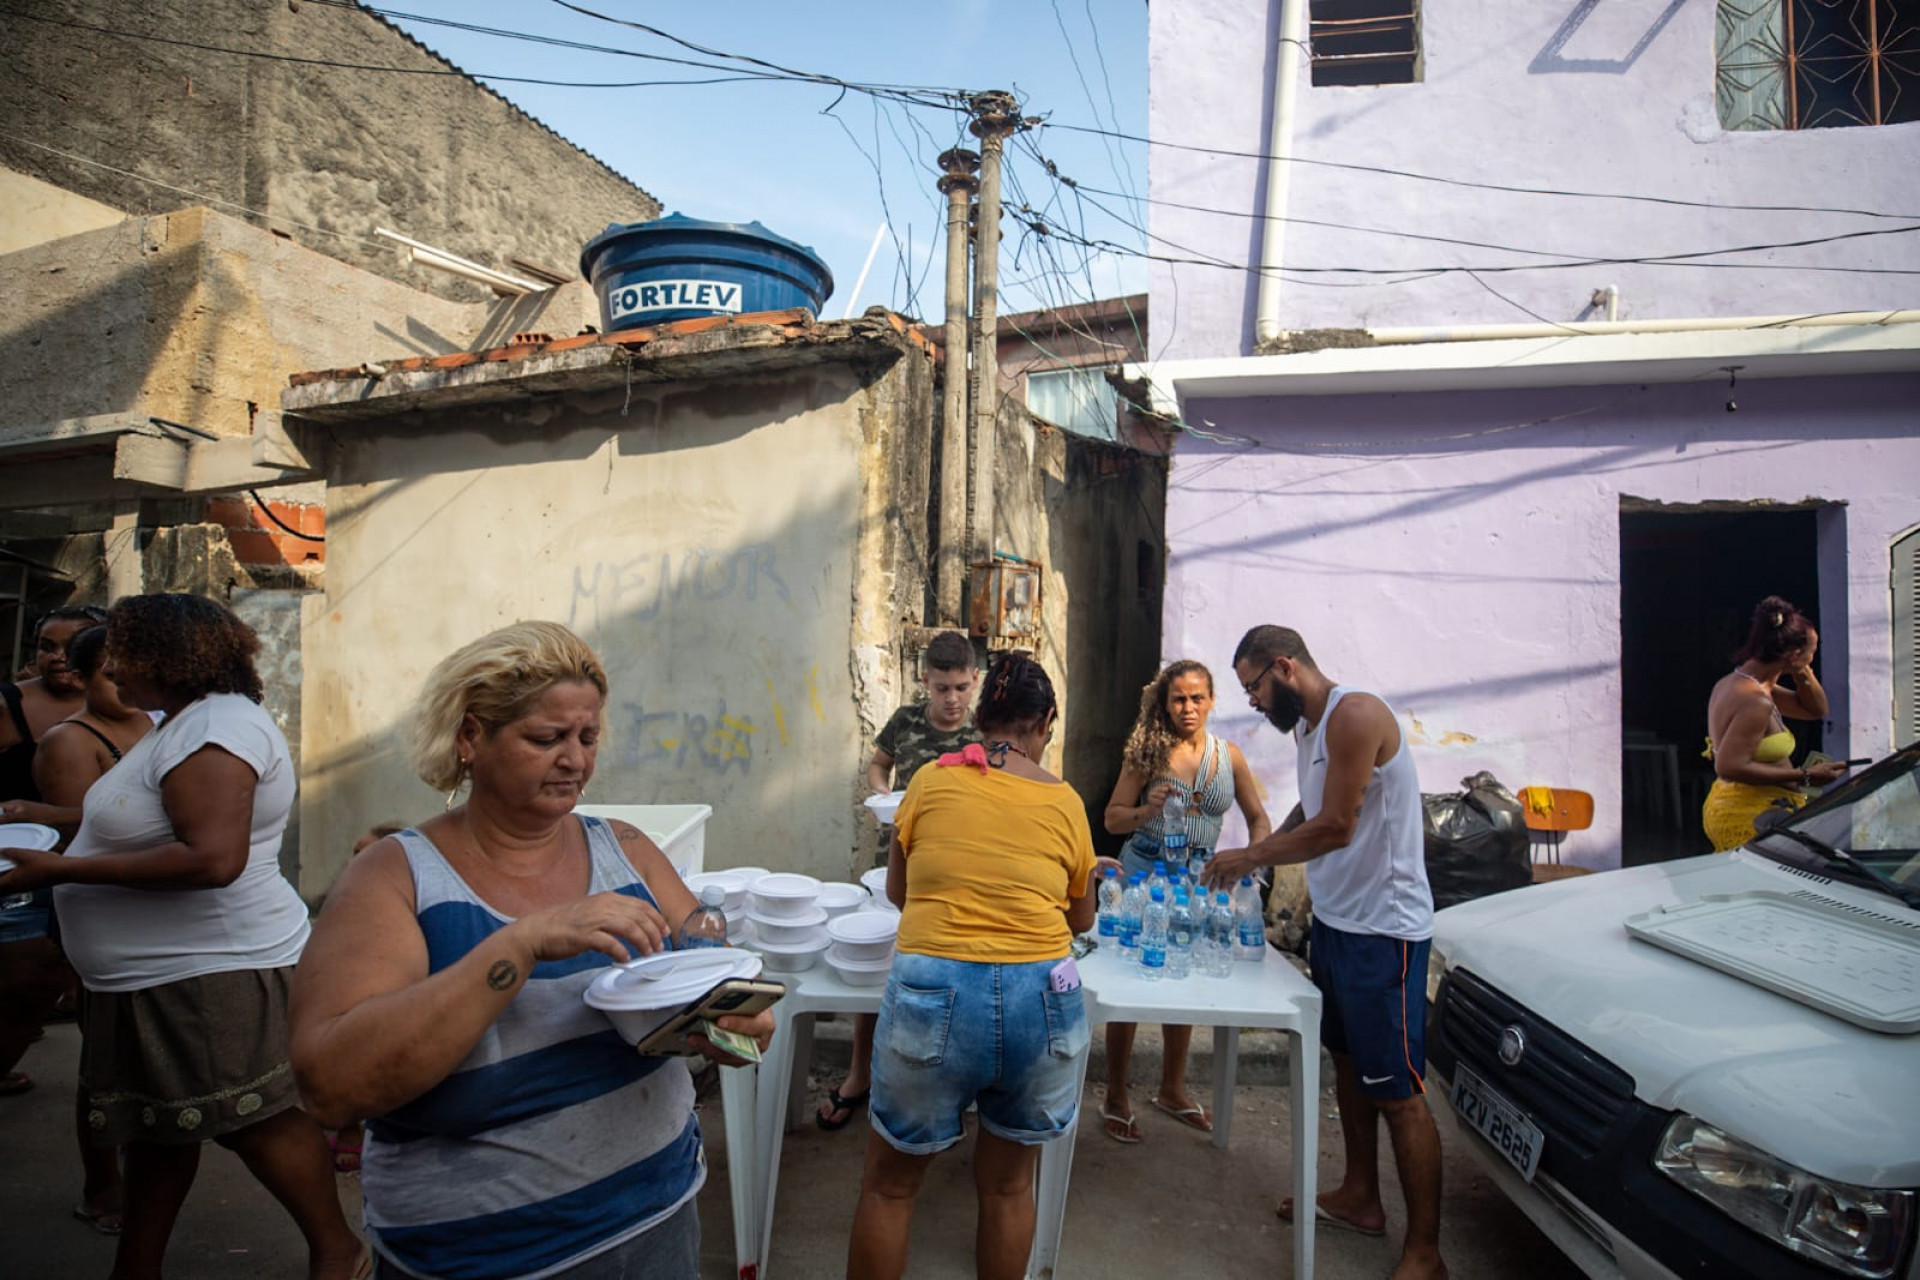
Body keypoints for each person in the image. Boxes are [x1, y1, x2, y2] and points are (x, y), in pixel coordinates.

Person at [289, 621, 774, 1280]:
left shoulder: (623, 849)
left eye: (587, 737)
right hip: (482, 1256)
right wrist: (520, 945)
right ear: (469, 738)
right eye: (545, 739)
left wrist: (736, 1023)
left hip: (658, 1213)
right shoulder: (395, 876)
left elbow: (705, 965)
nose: (574, 759)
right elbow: (331, 1086)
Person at [0, 592, 365, 1280]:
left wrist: (56, 869)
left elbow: (212, 859)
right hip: (156, 974)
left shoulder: (216, 731)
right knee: (161, 1129)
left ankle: (338, 1251)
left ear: (172, 657)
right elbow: (145, 822)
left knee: (254, 1121)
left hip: (208, 972)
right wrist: (40, 815)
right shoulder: (185, 724)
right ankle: (137, 1265)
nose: (106, 668)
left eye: (122, 654)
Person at [1205, 625, 1447, 1280]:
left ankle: (1426, 1253)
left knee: (1399, 1091)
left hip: (1385, 933)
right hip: (1338, 925)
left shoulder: (1356, 715)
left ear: (1285, 667)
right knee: (1347, 1066)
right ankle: (1362, 1195)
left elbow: (1338, 826)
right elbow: (1307, 813)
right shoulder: (1307, 729)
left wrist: (1250, 854)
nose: (1252, 701)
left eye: (1254, 686)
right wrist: (1258, 848)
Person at [847, 650, 1097, 1280]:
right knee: (1010, 1188)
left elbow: (901, 894)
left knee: (889, 1188)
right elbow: (1082, 917)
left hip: (935, 991)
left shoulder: (931, 780)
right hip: (1039, 999)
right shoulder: (1065, 802)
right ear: (1044, 723)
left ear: (982, 716)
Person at [1099, 659, 1271, 1142]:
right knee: (1128, 984)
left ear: (1212, 700)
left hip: (1199, 879)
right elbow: (1112, 820)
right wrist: (1144, 810)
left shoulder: (1228, 756)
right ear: (1165, 702)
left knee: (1186, 973)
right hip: (1143, 872)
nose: (1188, 707)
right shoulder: (1148, 755)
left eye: (1197, 698)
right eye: (1179, 699)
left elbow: (1259, 816)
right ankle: (1115, 1092)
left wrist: (1252, 858)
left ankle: (1172, 1089)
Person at [819, 630, 981, 1132]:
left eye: (960, 688)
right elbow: (877, 766)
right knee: (874, 968)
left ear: (974, 682)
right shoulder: (904, 723)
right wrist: (882, 798)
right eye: (941, 688)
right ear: (925, 684)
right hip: (891, 865)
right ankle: (858, 1076)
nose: (951, 699)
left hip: (955, 875)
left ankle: (952, 1087)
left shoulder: (983, 736)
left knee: (949, 977)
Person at [29, 623, 149, 1233]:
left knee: (141, 1053)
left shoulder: (153, 723)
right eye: (111, 672)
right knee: (105, 1056)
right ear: (81, 678)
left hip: (149, 902)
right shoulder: (71, 740)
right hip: (99, 904)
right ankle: (103, 1186)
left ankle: (140, 1181)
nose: (128, 682)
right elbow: (81, 832)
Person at [0, 606, 108, 1096]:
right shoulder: (9, 705)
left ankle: (110, 1092)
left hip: (97, 870)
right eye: (47, 646)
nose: (58, 657)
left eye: (73, 646)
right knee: (26, 983)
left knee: (84, 987)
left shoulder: (133, 710)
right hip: (19, 870)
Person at [1702, 596, 1850, 852]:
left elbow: (1815, 710)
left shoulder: (1739, 683)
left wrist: (1802, 670)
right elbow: (1728, 766)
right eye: (1811, 653)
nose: (1812, 659)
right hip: (1749, 815)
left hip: (1746, 805)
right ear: (1793, 655)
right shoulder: (1754, 701)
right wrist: (1805, 776)